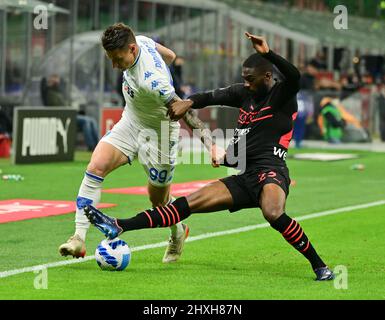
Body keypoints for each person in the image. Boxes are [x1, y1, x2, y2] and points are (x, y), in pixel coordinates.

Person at [84, 32, 335, 281]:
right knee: (184, 205)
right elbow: (212, 96)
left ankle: (319, 266)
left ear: (268, 77)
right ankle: (119, 225)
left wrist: (268, 53)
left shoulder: (282, 95)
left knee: (272, 212)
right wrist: (189, 103)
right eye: (244, 79)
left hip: (271, 171)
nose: (246, 84)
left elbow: (294, 76)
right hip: (245, 176)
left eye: (251, 79)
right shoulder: (244, 94)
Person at [59, 23, 223, 263]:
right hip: (131, 122)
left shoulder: (153, 82)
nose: (115, 65)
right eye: (110, 59)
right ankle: (78, 238)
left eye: (118, 59)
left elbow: (186, 111)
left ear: (133, 49)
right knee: (96, 167)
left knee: (158, 200)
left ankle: (178, 231)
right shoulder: (143, 40)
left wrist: (211, 145)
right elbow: (171, 55)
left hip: (160, 133)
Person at [41, 74, 99, 151]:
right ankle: (91, 146)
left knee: (92, 120)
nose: (57, 81)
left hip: (69, 113)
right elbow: (57, 107)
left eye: (57, 79)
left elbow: (65, 104)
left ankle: (98, 144)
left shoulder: (59, 92)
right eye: (54, 79)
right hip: (63, 116)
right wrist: (69, 109)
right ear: (50, 81)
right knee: (86, 121)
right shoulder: (49, 92)